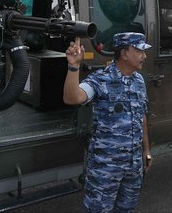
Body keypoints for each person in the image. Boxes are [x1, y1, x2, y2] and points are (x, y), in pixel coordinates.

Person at [63, 32, 153, 212]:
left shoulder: (139, 80)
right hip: (105, 167)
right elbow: (72, 98)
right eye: (139, 51)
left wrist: (146, 150)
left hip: (133, 166)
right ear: (124, 54)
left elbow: (141, 115)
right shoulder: (101, 79)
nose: (144, 55)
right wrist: (74, 67)